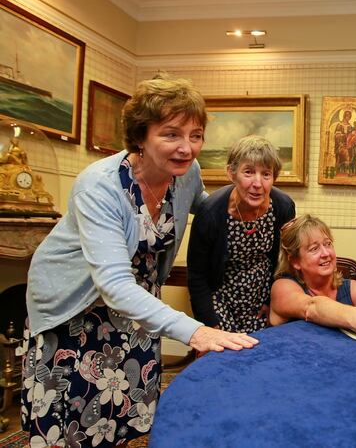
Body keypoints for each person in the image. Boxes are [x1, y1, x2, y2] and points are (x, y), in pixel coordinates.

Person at [20, 74, 258, 447]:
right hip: (75, 306)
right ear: (140, 137)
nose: (187, 148)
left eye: (195, 135)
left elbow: (203, 208)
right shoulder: (98, 185)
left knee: (124, 413)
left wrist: (250, 204)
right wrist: (197, 331)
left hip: (137, 310)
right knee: (71, 424)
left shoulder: (187, 174)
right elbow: (113, 284)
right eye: (171, 134)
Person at [188, 135, 295, 333]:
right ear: (231, 173)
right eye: (248, 172)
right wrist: (211, 323)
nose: (258, 183)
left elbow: (286, 262)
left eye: (266, 174)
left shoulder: (283, 207)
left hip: (262, 303)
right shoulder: (210, 212)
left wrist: (273, 302)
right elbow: (197, 275)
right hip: (219, 301)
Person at [269, 215, 356, 351]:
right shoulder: (283, 287)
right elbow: (311, 307)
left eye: (328, 244)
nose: (326, 253)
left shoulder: (349, 288)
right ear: (295, 261)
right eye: (314, 249)